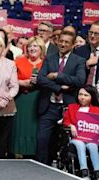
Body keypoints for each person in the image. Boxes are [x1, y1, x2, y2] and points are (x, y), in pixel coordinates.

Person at [36, 30, 86, 165]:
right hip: (48, 107)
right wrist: (58, 88)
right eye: (61, 41)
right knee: (42, 140)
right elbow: (40, 79)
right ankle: (40, 168)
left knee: (61, 143)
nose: (62, 44)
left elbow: (80, 80)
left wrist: (57, 76)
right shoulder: (49, 57)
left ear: (73, 44)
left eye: (66, 42)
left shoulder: (79, 61)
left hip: (67, 107)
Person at [11, 36, 45, 157]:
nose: (32, 48)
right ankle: (17, 152)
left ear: (41, 48)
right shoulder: (18, 61)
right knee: (20, 126)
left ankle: (33, 153)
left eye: (35, 46)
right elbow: (10, 79)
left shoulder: (47, 62)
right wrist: (22, 83)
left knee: (34, 127)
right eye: (30, 46)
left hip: (38, 99)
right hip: (21, 98)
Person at [63, 85, 99, 179]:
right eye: (80, 94)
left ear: (92, 97)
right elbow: (65, 121)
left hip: (91, 138)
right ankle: (84, 170)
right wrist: (71, 126)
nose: (82, 97)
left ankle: (97, 171)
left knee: (93, 146)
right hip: (76, 138)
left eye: (86, 95)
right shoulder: (72, 107)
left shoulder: (97, 110)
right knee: (80, 144)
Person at [74, 21, 99, 87]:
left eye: (96, 34)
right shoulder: (79, 51)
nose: (92, 36)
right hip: (82, 91)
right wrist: (86, 64)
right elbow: (72, 71)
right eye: (91, 32)